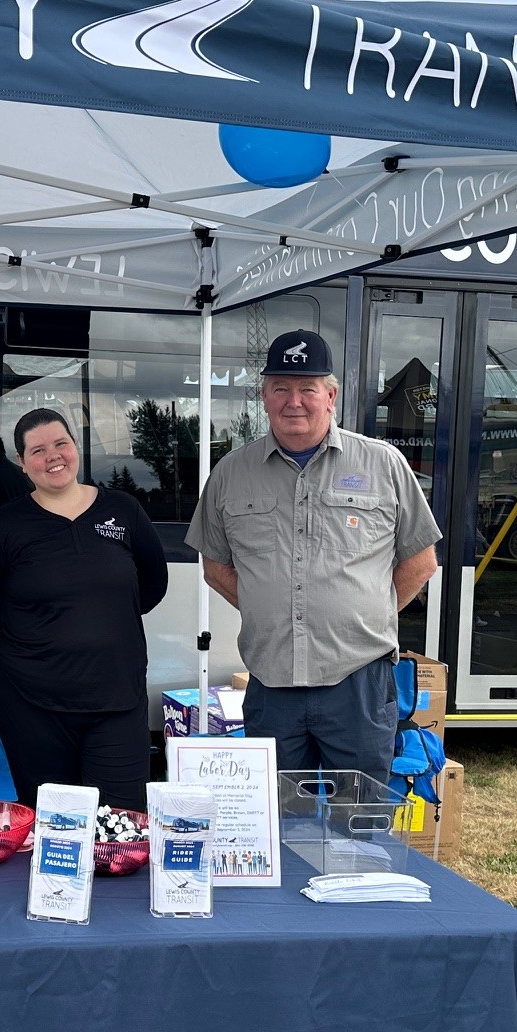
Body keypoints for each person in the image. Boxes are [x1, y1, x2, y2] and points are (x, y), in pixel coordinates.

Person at [187, 329, 439, 780]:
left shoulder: (383, 464)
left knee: (359, 822)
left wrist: (369, 613)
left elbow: (420, 562)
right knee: (279, 824)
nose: (294, 401)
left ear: (331, 395)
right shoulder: (230, 474)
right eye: (280, 388)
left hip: (358, 681)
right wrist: (275, 608)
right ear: (264, 397)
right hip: (272, 684)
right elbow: (216, 566)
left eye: (308, 388)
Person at [0, 408, 169, 812]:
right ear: (22, 464)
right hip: (32, 707)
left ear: (76, 448)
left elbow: (152, 585)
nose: (53, 456)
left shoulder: (124, 510)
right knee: (56, 831)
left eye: (61, 443)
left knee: (121, 832)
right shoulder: (6, 525)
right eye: (37, 450)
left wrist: (99, 619)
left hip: (117, 698)